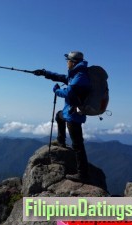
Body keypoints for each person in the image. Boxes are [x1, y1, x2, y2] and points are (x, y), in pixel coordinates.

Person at [33, 51, 90, 182]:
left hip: (74, 115)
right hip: (68, 112)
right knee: (59, 117)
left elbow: (69, 93)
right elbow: (61, 77)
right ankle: (61, 141)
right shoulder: (76, 74)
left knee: (78, 145)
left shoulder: (80, 76)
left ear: (73, 62)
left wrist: (56, 91)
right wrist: (44, 73)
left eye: (67, 61)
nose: (66, 63)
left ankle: (82, 174)